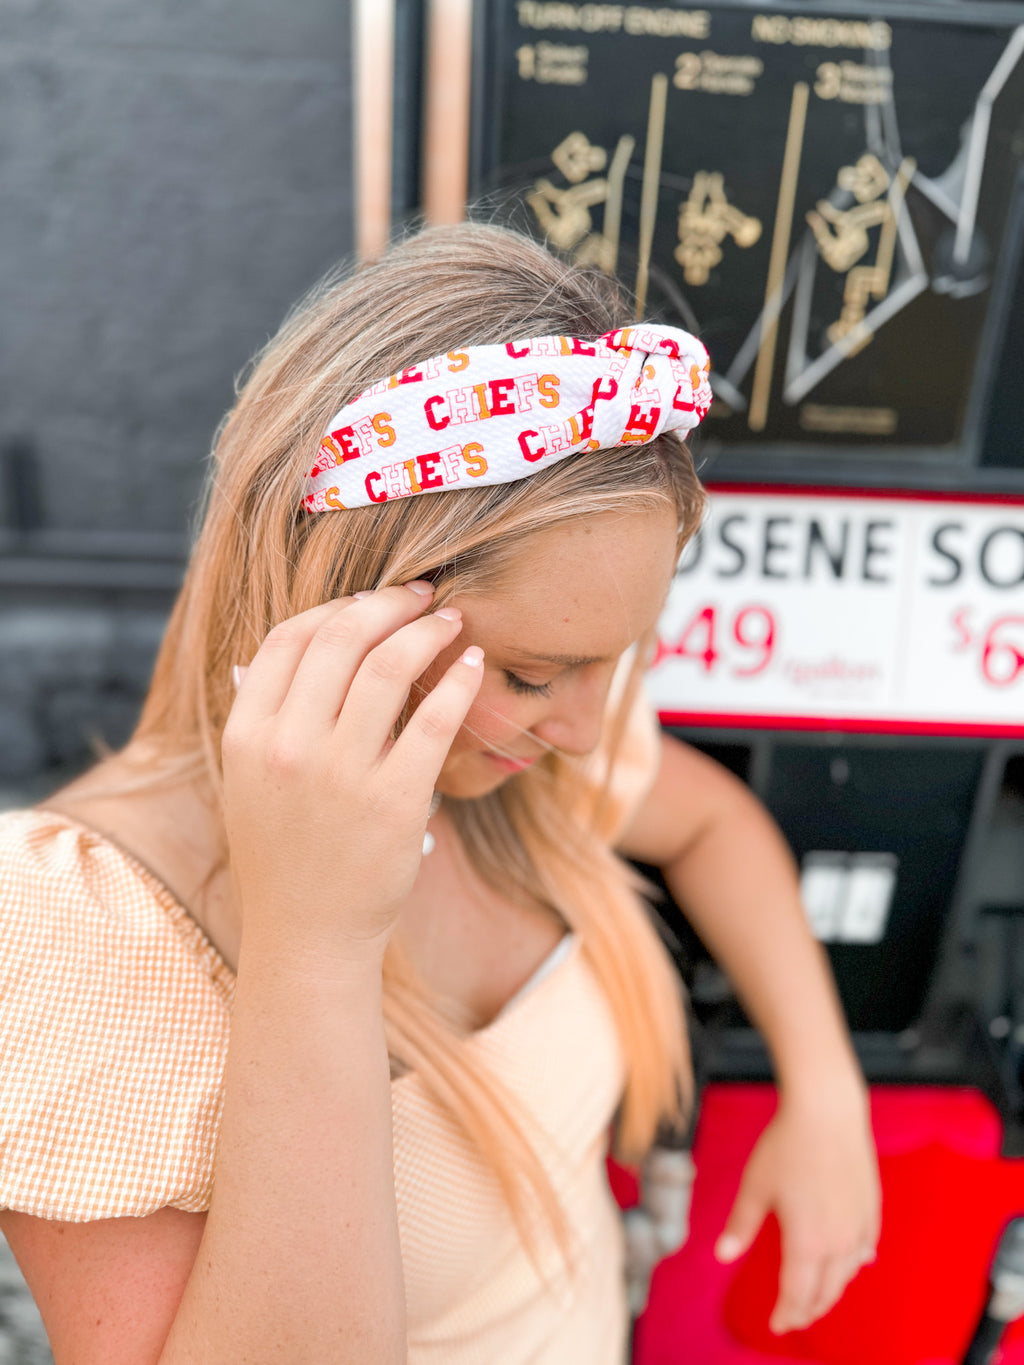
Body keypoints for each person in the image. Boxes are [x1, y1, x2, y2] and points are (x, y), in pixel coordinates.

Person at [0, 222, 879, 1364]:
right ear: (338, 608)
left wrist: (826, 1093)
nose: (580, 729)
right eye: (529, 675)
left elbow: (714, 822)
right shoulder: (81, 925)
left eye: (615, 661)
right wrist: (315, 943)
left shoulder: (513, 757)